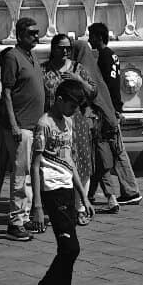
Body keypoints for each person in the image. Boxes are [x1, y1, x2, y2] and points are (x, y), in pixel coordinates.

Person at [24, 77, 94, 285]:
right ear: (59, 99)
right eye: (73, 105)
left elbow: (69, 159)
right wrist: (37, 206)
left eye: (79, 106)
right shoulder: (45, 124)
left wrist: (83, 197)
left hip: (66, 187)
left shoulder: (69, 122)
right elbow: (35, 164)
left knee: (69, 251)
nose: (76, 110)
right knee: (70, 248)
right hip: (50, 190)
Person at [0, 18, 46, 240]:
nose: (36, 36)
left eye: (37, 33)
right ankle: (15, 221)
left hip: (34, 125)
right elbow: (6, 92)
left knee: (27, 173)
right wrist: (14, 124)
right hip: (20, 126)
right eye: (31, 33)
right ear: (19, 35)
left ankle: (24, 217)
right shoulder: (12, 56)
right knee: (19, 174)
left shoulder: (32, 55)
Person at [85, 25, 141, 207]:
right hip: (113, 107)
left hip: (108, 109)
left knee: (116, 151)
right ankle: (91, 192)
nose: (90, 39)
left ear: (99, 37)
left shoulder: (103, 57)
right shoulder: (111, 55)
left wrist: (108, 108)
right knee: (103, 149)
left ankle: (131, 190)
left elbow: (105, 86)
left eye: (92, 36)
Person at [41, 33, 97, 204]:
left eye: (68, 48)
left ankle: (80, 205)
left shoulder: (77, 68)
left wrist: (78, 80)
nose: (65, 51)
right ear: (53, 48)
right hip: (52, 121)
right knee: (54, 161)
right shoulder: (44, 70)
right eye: (61, 47)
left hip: (77, 121)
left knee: (81, 161)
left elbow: (93, 92)